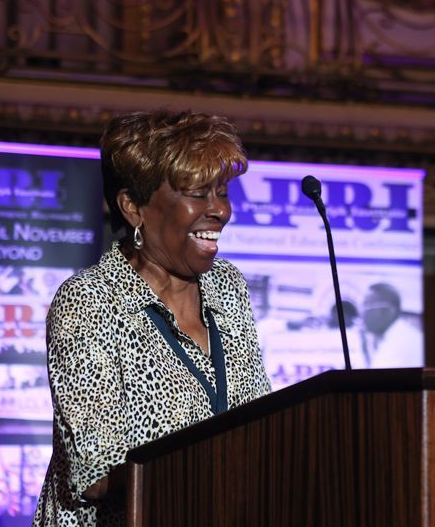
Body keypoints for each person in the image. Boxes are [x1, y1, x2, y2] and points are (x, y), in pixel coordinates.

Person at [32, 110, 271, 526]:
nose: (219, 210)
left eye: (222, 192)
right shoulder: (90, 302)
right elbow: (94, 472)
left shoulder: (228, 287)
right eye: (198, 193)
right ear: (134, 207)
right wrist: (214, 470)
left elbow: (260, 419)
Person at [356, 282, 424, 368]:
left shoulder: (403, 342)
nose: (362, 314)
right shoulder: (389, 337)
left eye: (367, 306)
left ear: (390, 310)